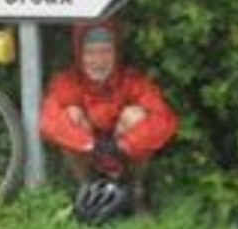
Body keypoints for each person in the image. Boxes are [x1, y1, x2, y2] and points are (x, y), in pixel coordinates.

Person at [39, 19, 179, 214]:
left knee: (135, 115)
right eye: (90, 53)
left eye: (105, 51)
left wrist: (124, 145)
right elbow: (50, 122)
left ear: (115, 53)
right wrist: (90, 145)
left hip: (123, 152)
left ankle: (135, 192)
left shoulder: (131, 80)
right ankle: (87, 189)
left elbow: (163, 119)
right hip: (89, 153)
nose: (98, 60)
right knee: (71, 115)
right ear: (80, 55)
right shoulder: (68, 82)